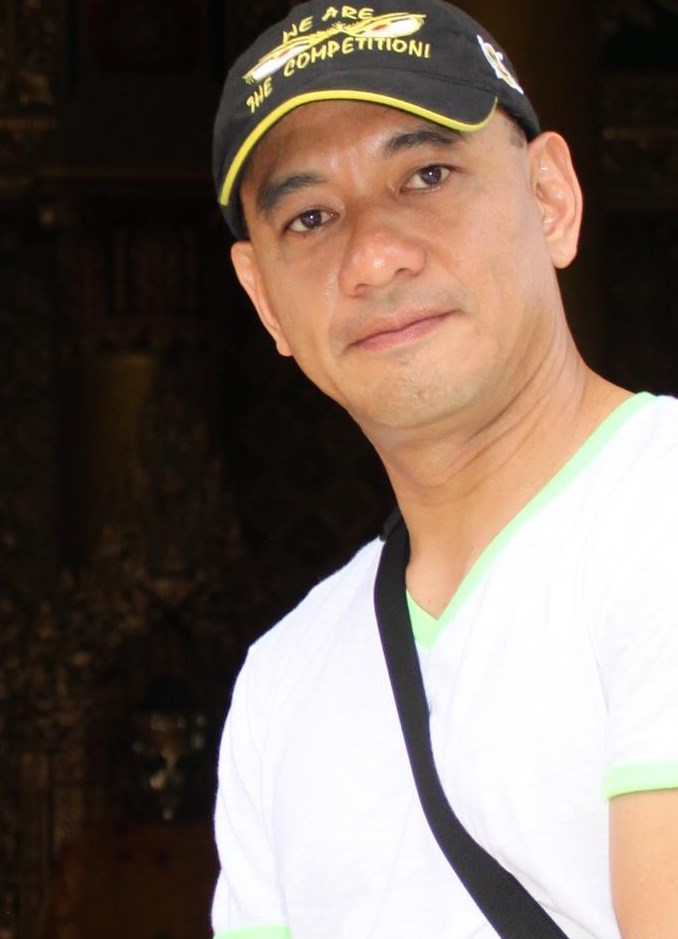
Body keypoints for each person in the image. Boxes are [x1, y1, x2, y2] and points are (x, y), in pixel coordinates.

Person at [210, 1, 678, 937]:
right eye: (310, 217)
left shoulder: (655, 510)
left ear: (550, 199)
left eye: (427, 175)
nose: (374, 257)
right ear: (263, 299)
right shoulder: (282, 685)